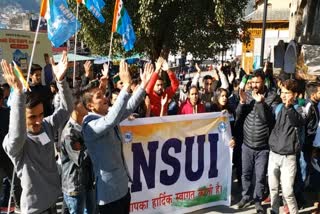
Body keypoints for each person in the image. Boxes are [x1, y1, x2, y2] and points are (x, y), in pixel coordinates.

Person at [1, 51, 73, 214]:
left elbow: (67, 108)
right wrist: (18, 94)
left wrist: (61, 81)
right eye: (32, 117)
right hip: (34, 209)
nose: (39, 120)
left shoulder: (46, 125)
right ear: (21, 117)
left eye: (41, 114)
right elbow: (17, 135)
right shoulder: (14, 143)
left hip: (53, 201)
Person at [81, 61, 153, 214]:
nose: (106, 98)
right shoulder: (89, 125)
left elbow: (127, 108)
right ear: (90, 106)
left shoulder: (107, 116)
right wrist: (126, 86)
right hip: (108, 194)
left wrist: (143, 85)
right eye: (99, 97)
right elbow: (111, 120)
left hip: (122, 188)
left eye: (104, 94)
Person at [236, 69, 279, 214]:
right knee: (245, 174)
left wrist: (260, 103)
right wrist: (242, 103)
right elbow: (238, 117)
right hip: (247, 145)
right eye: (252, 82)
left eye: (257, 82)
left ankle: (257, 201)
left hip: (263, 147)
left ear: (263, 82)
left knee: (260, 177)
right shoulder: (247, 95)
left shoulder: (272, 97)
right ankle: (245, 196)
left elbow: (268, 121)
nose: (254, 85)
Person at [268, 79, 306, 214]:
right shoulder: (278, 108)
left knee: (288, 192)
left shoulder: (299, 108)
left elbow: (298, 122)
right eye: (282, 92)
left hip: (289, 157)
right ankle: (274, 211)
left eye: (287, 92)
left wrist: (290, 107)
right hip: (273, 155)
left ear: (295, 94)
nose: (283, 95)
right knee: (273, 189)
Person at [60, 90, 95, 214]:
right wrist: (94, 142)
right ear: (74, 106)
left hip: (88, 182)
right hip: (75, 187)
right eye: (82, 103)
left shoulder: (86, 124)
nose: (86, 105)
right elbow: (80, 159)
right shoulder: (69, 133)